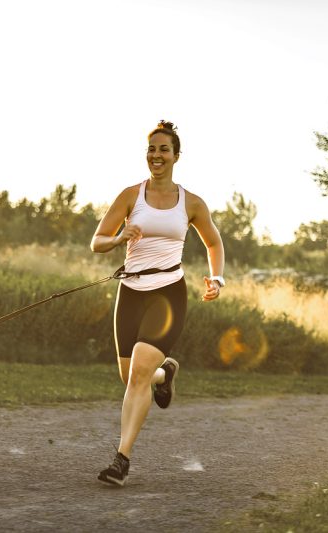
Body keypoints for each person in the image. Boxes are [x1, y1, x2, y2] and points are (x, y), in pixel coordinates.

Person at [90, 120, 225, 486]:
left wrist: (217, 278)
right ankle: (165, 373)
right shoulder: (130, 196)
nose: (157, 155)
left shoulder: (192, 203)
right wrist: (120, 238)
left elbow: (213, 243)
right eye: (152, 149)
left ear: (176, 156)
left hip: (168, 294)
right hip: (131, 292)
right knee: (129, 375)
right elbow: (97, 241)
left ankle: (122, 460)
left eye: (164, 149)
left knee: (136, 377)